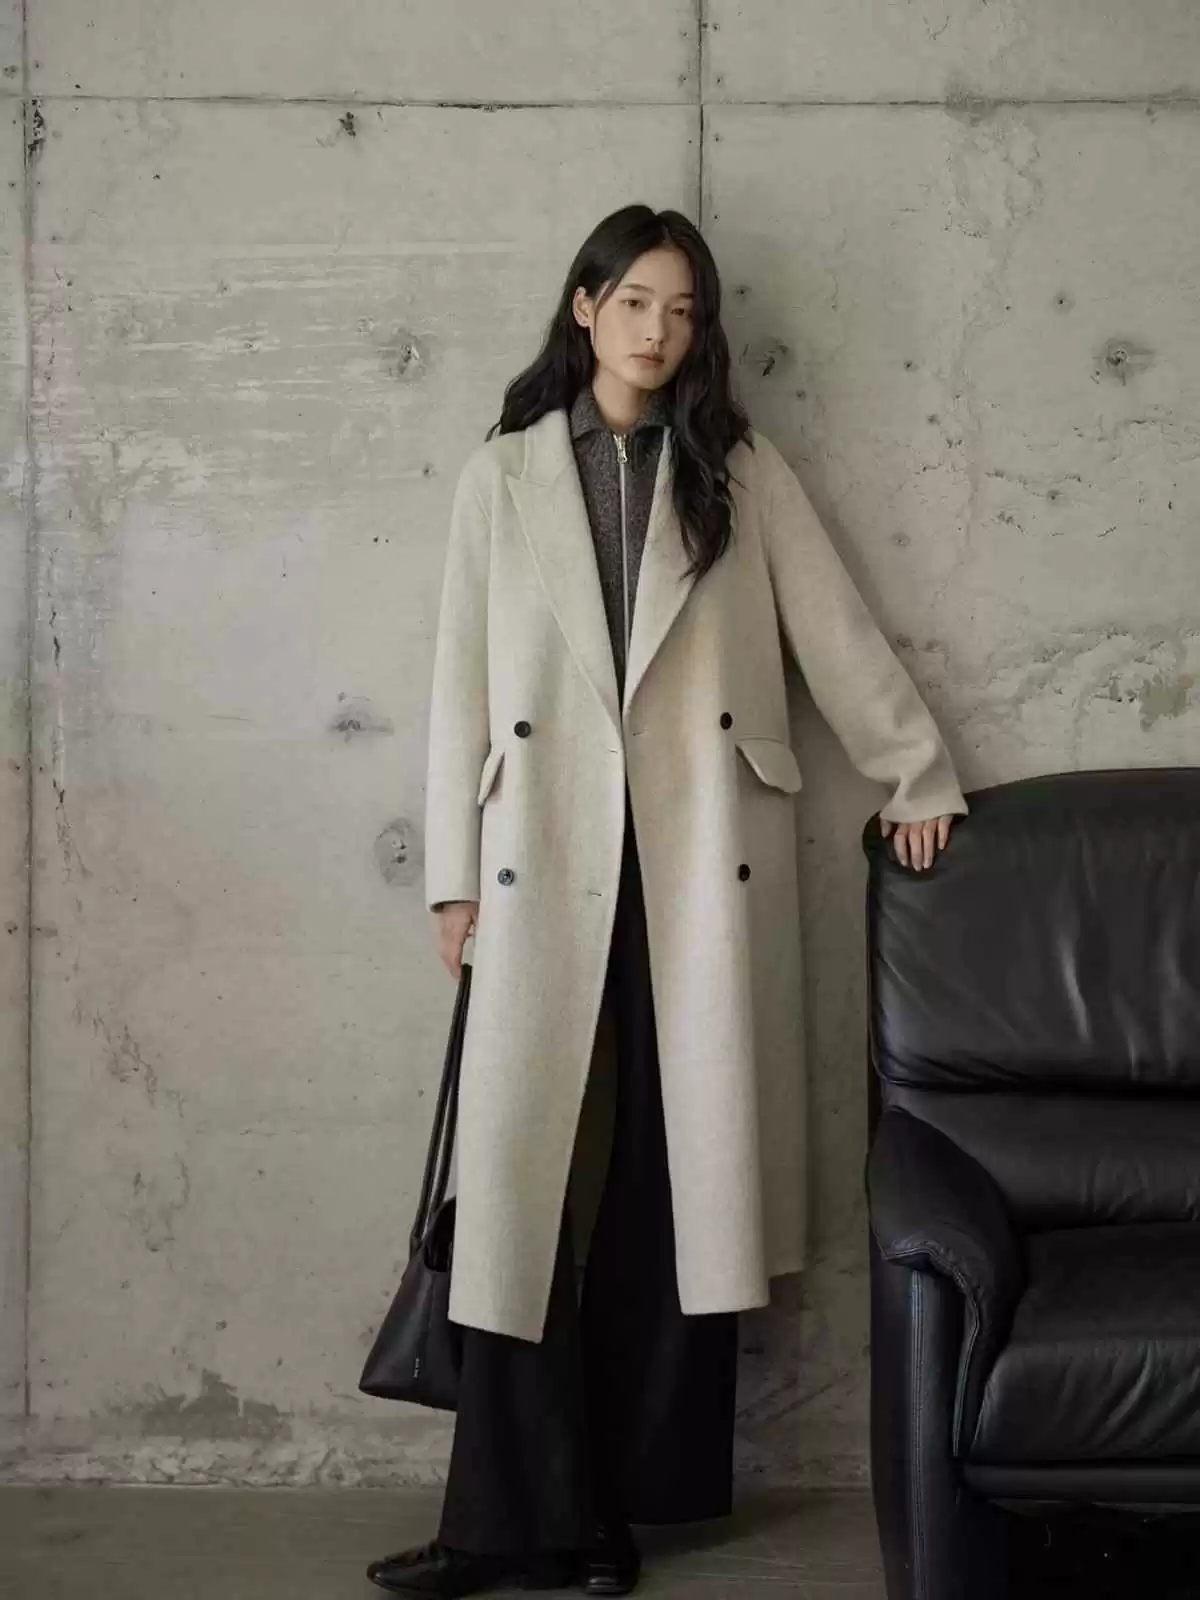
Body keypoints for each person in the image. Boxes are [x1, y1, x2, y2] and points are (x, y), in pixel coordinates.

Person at [367, 203, 968, 1597]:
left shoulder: (736, 467)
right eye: (635, 301)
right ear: (584, 306)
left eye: (683, 310)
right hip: (539, 870)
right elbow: (460, 682)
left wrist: (915, 769)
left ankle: (612, 1515)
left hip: (698, 872)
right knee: (519, 1202)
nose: (659, 331)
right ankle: (500, 1524)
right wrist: (451, 880)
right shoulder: (506, 473)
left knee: (664, 1184)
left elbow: (834, 631)